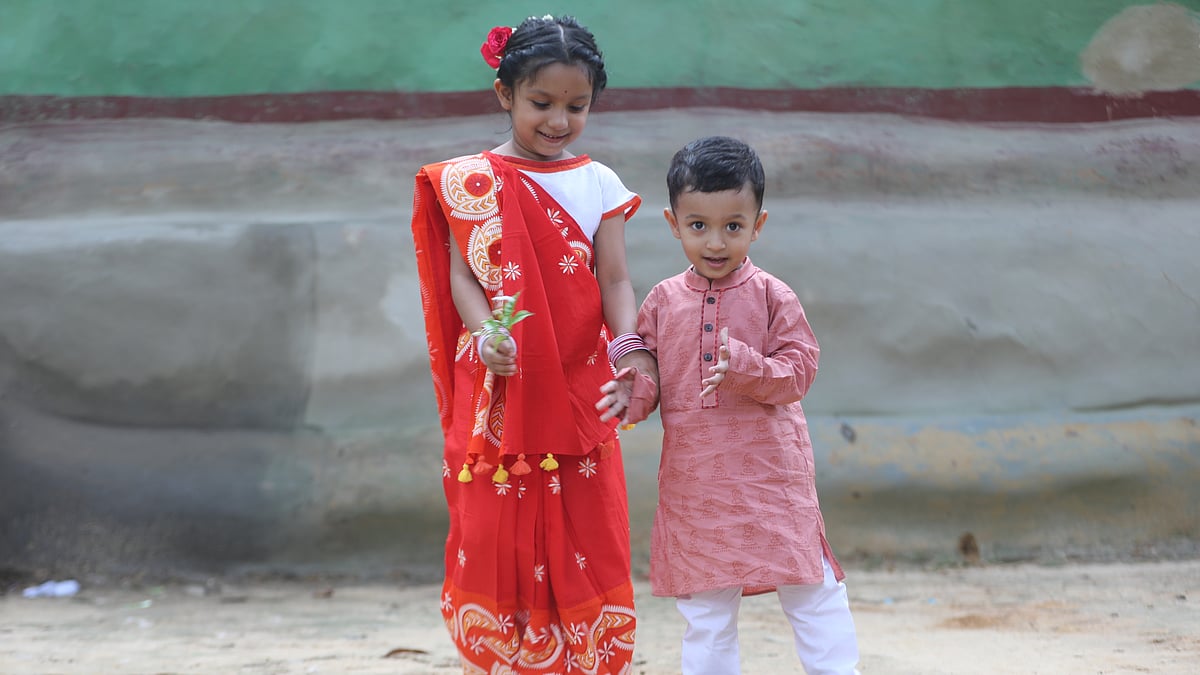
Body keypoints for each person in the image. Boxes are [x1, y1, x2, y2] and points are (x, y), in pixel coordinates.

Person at [409, 14, 656, 673]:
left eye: (577, 106)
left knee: (587, 518)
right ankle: (504, 650)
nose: (558, 120)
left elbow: (615, 279)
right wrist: (487, 333)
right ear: (505, 94)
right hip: (499, 376)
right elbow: (465, 277)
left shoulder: (599, 182)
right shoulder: (469, 182)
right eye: (541, 102)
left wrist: (630, 351)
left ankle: (586, 652)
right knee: (494, 520)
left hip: (578, 380)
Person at [598, 136, 861, 674]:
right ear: (673, 224)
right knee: (706, 609)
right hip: (697, 486)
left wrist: (747, 368)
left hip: (771, 477)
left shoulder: (772, 295)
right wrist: (631, 392)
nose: (715, 242)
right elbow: (649, 374)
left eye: (733, 227)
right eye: (698, 225)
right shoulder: (662, 301)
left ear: (757, 225)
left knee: (812, 590)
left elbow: (800, 371)